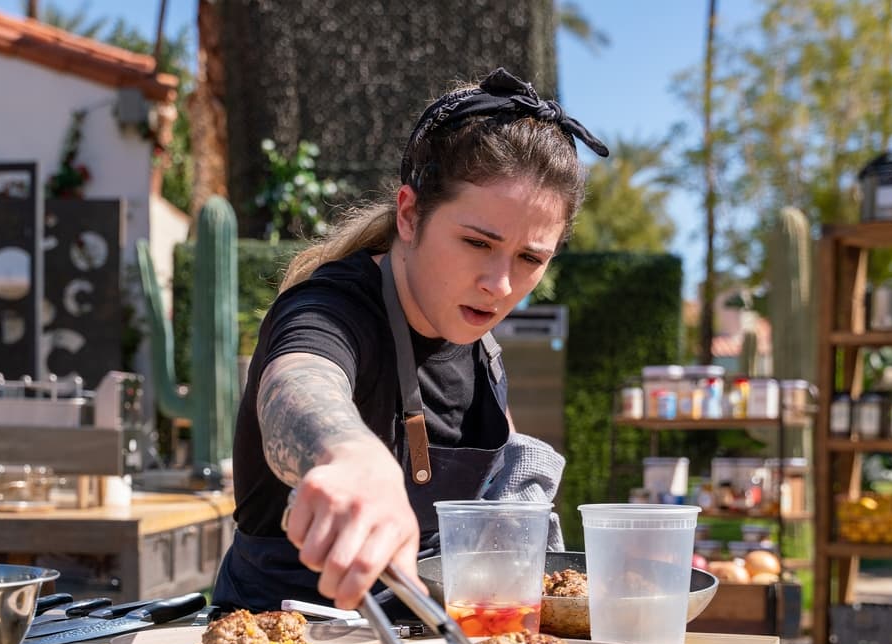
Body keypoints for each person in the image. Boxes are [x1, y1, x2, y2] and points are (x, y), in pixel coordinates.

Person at [213, 67, 610, 614]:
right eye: (476, 242)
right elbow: (298, 382)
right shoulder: (333, 307)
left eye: (530, 258)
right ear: (408, 214)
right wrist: (348, 458)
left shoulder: (477, 346)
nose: (499, 285)